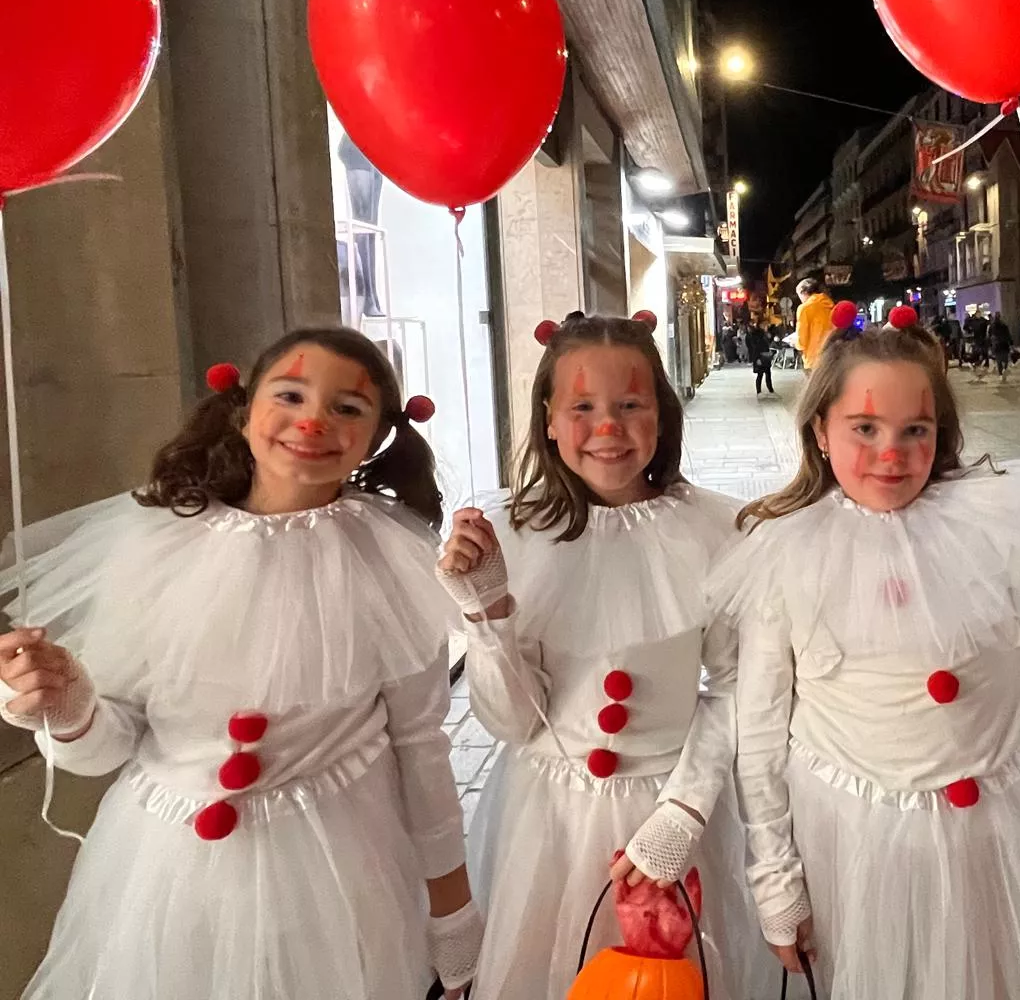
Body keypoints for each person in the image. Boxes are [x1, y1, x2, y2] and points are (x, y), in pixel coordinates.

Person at [0, 329, 481, 999]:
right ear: (243, 409)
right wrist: (65, 706)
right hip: (166, 878)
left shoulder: (388, 559)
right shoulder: (156, 544)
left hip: (335, 878)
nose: (313, 420)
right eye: (290, 394)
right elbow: (108, 744)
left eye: (347, 408)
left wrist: (452, 919)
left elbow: (422, 749)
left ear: (376, 438)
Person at [713, 301, 1020, 1000]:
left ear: (942, 435)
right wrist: (776, 877)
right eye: (864, 429)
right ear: (820, 432)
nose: (891, 454)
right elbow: (759, 735)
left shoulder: (990, 529)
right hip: (859, 844)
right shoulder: (786, 554)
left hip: (991, 840)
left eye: (916, 430)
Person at [436, 313, 762, 1000]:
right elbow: (513, 723)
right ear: (549, 420)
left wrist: (687, 810)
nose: (608, 428)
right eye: (582, 407)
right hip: (549, 820)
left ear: (662, 416)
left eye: (630, 406)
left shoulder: (718, 529)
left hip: (672, 810)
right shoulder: (512, 534)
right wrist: (488, 611)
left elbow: (737, 686)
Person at [795, 278, 837, 371]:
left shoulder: (804, 308)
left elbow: (802, 341)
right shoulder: (830, 305)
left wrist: (795, 342)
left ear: (803, 292)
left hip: (813, 359)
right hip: (830, 357)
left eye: (799, 296)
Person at [746, 323, 776, 396]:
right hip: (761, 357)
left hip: (762, 357)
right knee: (763, 374)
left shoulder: (761, 338)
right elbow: (756, 349)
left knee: (764, 374)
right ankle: (766, 389)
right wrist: (758, 358)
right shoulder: (758, 339)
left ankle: (763, 390)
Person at [989, 312, 1014, 381]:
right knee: (1005, 359)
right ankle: (1005, 368)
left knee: (998, 360)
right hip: (1004, 344)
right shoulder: (1004, 325)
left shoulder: (992, 326)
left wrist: (990, 345)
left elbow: (989, 336)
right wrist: (1011, 343)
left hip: (996, 345)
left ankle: (1000, 374)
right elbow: (1008, 335)